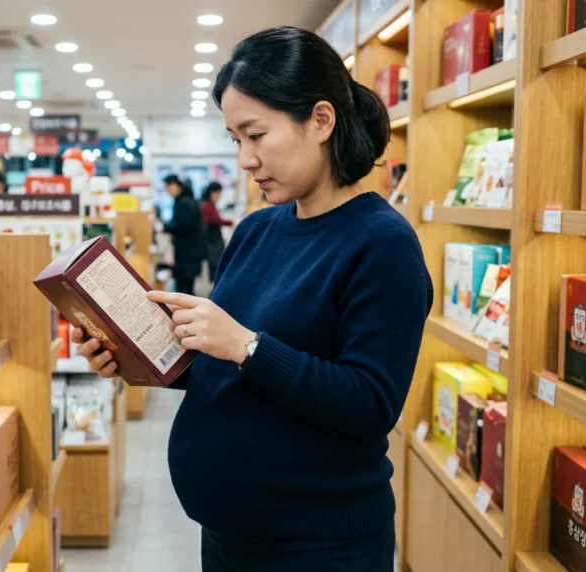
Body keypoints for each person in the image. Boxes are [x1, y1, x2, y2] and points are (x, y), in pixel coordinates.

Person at [71, 26, 431, 571]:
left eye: (256, 135)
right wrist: (134, 354)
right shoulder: (258, 230)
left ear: (321, 120)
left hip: (318, 548)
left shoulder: (383, 243)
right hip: (229, 539)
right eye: (235, 140)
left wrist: (246, 344)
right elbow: (227, 367)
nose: (244, 159)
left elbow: (369, 404)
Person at [162, 175, 207, 295]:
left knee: (184, 286)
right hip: (191, 250)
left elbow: (182, 225)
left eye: (168, 188)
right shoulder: (187, 200)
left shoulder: (183, 202)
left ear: (175, 185)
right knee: (187, 285)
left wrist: (166, 227)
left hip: (187, 251)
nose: (168, 191)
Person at [199, 181, 233, 283]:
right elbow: (214, 220)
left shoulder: (210, 205)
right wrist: (230, 222)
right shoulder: (206, 206)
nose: (218, 197)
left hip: (214, 239)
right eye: (218, 194)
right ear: (212, 192)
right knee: (215, 266)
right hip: (212, 240)